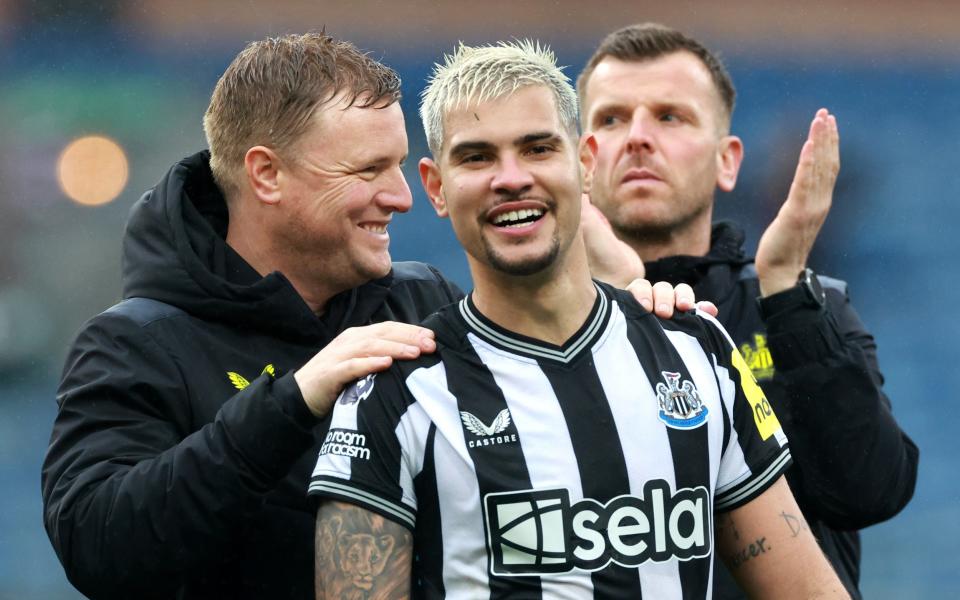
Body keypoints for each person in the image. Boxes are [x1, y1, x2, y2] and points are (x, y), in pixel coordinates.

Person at [40, 33, 698, 600]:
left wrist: (634, 306)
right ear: (267, 175)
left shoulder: (423, 301)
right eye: (368, 170)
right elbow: (98, 548)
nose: (402, 197)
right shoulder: (136, 343)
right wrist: (289, 404)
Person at [310, 40, 849, 599]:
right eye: (477, 157)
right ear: (436, 187)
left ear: (584, 163)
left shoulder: (699, 350)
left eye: (538, 149)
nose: (511, 178)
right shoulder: (391, 395)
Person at [576, 23, 919, 599]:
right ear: (582, 163)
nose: (636, 137)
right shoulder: (529, 326)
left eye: (669, 116)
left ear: (727, 161)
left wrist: (785, 291)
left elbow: (872, 491)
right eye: (610, 119)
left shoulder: (808, 308)